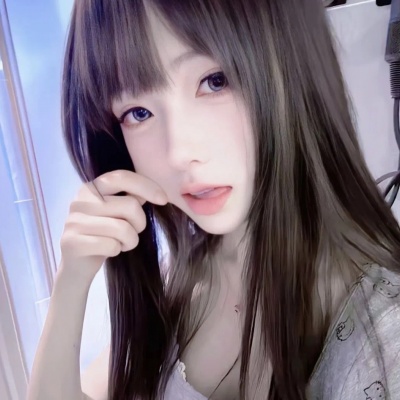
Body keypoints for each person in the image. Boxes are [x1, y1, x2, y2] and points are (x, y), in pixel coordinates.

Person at [27, 0, 400, 399]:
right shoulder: (181, 276)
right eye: (138, 113)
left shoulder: (382, 335)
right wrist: (71, 282)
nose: (177, 153)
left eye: (214, 81)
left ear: (291, 63)